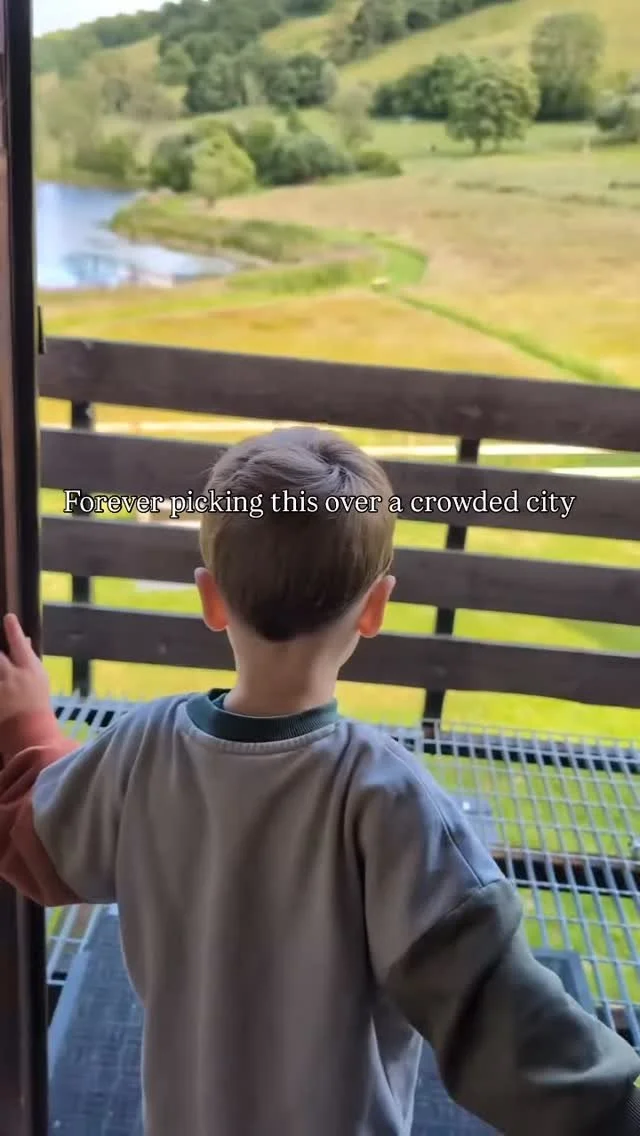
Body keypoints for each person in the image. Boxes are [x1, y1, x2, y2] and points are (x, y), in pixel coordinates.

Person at [0, 426, 638, 1136]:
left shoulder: (141, 748)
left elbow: (38, 841)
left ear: (211, 598)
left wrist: (28, 722)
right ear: (376, 607)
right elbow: (507, 1024)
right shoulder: (388, 799)